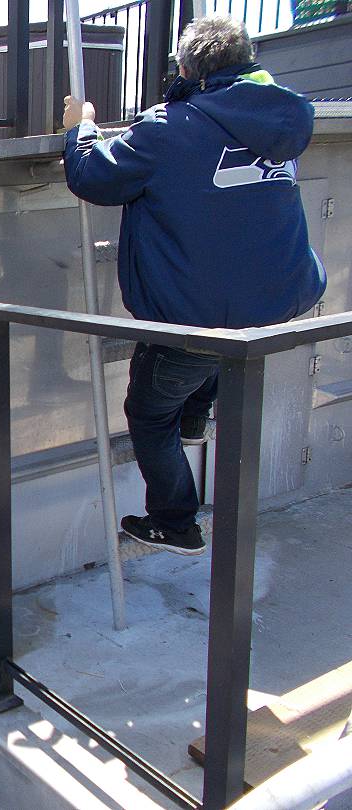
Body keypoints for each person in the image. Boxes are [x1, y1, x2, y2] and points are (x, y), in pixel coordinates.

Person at [61, 15, 326, 555]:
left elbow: (93, 176)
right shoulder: (282, 117)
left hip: (199, 318)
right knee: (218, 361)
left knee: (148, 411)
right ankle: (195, 417)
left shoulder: (169, 128)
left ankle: (175, 521)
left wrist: (80, 127)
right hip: (276, 305)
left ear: (187, 68)